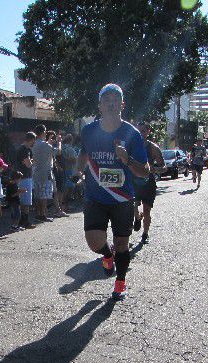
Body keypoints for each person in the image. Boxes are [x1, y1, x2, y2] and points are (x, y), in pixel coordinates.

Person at [74, 84, 150, 300]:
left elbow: (144, 172)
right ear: (99, 105)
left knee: (122, 244)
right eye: (106, 99)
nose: (110, 102)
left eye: (115, 99)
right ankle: (107, 255)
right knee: (94, 241)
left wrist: (127, 159)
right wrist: (78, 172)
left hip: (122, 199)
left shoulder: (131, 133)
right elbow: (83, 154)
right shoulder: (89, 131)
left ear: (122, 105)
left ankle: (120, 282)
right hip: (95, 197)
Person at [135, 122, 165, 244]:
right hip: (134, 181)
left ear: (148, 132)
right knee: (133, 206)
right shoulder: (132, 146)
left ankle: (145, 233)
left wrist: (155, 169)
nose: (141, 134)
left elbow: (164, 167)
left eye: (143, 131)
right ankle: (137, 217)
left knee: (147, 210)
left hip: (148, 183)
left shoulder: (153, 148)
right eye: (138, 131)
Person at [31, 124, 55, 222]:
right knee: (44, 196)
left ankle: (38, 214)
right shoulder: (46, 145)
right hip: (45, 172)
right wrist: (59, 143)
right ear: (43, 132)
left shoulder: (33, 144)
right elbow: (58, 152)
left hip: (35, 172)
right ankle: (43, 214)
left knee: (37, 195)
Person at [15, 132, 37, 229]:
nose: (34, 143)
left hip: (23, 177)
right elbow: (29, 164)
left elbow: (28, 162)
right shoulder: (24, 150)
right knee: (26, 200)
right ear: (31, 140)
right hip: (25, 177)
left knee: (24, 200)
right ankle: (25, 221)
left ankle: (22, 220)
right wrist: (32, 161)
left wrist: (30, 161)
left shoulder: (24, 149)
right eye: (34, 140)